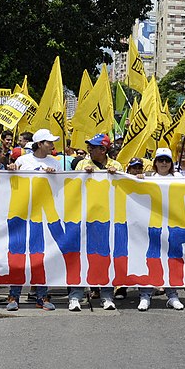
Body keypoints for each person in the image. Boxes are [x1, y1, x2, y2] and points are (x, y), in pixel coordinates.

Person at [5, 128, 62, 312]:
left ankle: (42, 296)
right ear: (39, 144)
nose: (52, 145)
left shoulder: (55, 162)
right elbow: (12, 183)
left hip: (43, 216)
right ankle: (14, 295)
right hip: (22, 214)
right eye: (49, 142)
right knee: (18, 254)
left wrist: (55, 177)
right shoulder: (23, 161)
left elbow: (62, 188)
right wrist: (12, 169)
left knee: (40, 255)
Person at [70, 133, 120, 311]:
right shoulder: (83, 164)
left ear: (103, 149)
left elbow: (121, 189)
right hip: (84, 218)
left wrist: (116, 176)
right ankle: (75, 296)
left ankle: (107, 296)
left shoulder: (116, 165)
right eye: (89, 145)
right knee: (80, 256)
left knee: (104, 256)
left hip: (107, 219)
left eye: (94, 146)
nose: (89, 149)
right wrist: (83, 175)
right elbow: (72, 186)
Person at [137, 148, 184, 311]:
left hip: (173, 226)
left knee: (171, 260)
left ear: (171, 163)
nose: (164, 163)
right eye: (160, 160)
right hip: (152, 226)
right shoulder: (148, 178)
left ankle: (173, 296)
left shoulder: (179, 178)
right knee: (151, 259)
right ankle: (145, 295)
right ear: (155, 162)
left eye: (167, 160)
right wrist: (136, 179)